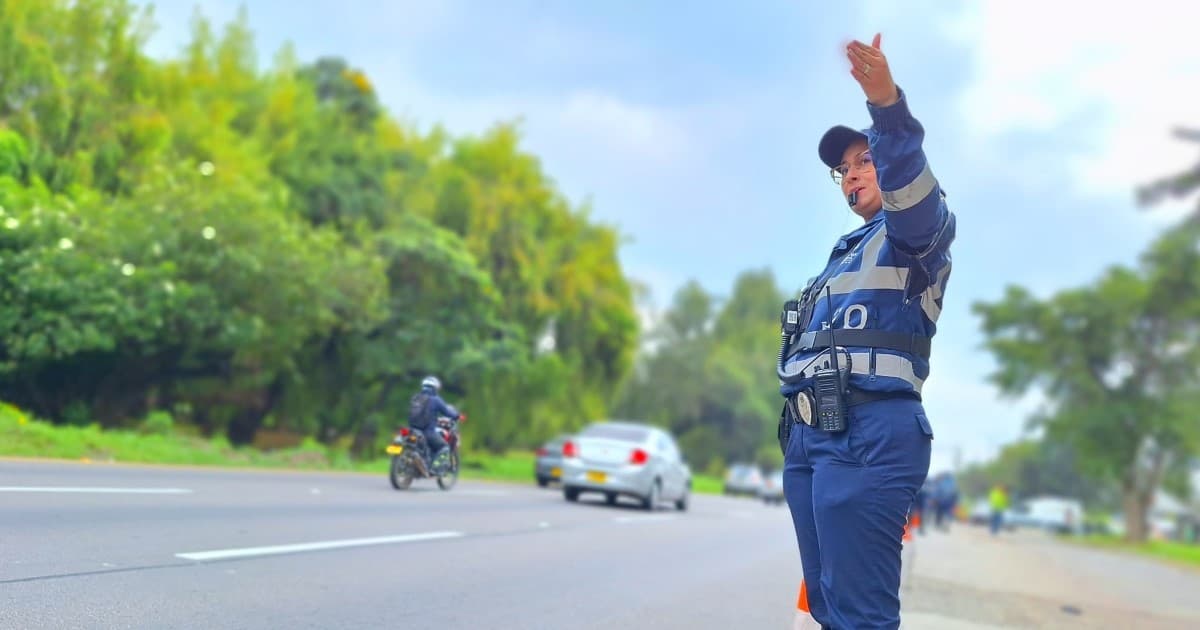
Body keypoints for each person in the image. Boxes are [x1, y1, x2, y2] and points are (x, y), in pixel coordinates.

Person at [777, 33, 956, 630]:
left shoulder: (916, 233)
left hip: (869, 434)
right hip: (816, 436)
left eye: (864, 160)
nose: (851, 175)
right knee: (829, 607)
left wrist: (885, 106)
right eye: (843, 169)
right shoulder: (842, 256)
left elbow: (909, 181)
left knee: (859, 616)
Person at [408, 375, 461, 474]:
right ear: (435, 388)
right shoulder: (436, 399)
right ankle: (433, 469)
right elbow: (447, 412)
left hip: (412, 430)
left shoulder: (416, 397)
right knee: (444, 447)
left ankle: (420, 462)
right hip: (428, 432)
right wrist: (457, 416)